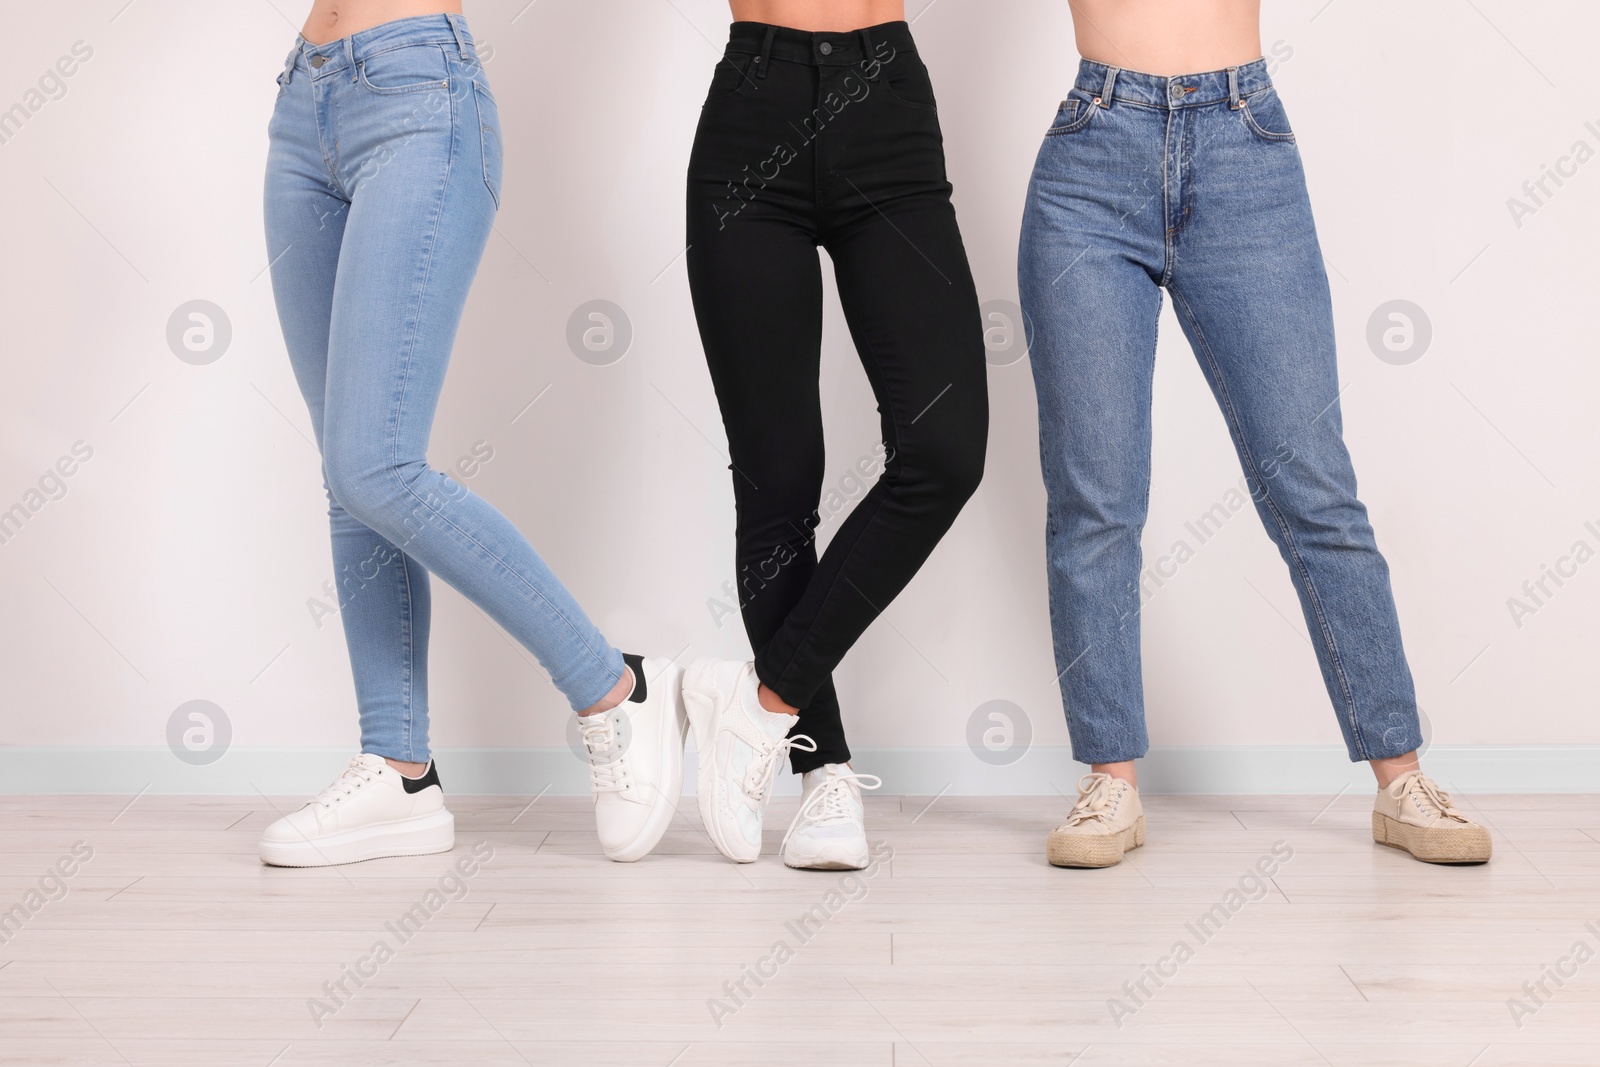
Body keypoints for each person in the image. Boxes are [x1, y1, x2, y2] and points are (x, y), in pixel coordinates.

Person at [1019, 0, 1490, 867]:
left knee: (1313, 485)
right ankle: (1110, 781)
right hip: (1091, 152)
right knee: (1095, 497)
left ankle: (1402, 777)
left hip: (1245, 147)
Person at [259, 1, 683, 867]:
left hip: (418, 95)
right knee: (349, 475)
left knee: (374, 465)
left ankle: (612, 687)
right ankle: (398, 768)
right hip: (303, 105)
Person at [681, 0, 988, 868]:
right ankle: (825, 775)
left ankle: (760, 707)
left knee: (944, 449)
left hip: (885, 105)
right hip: (752, 112)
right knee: (779, 483)